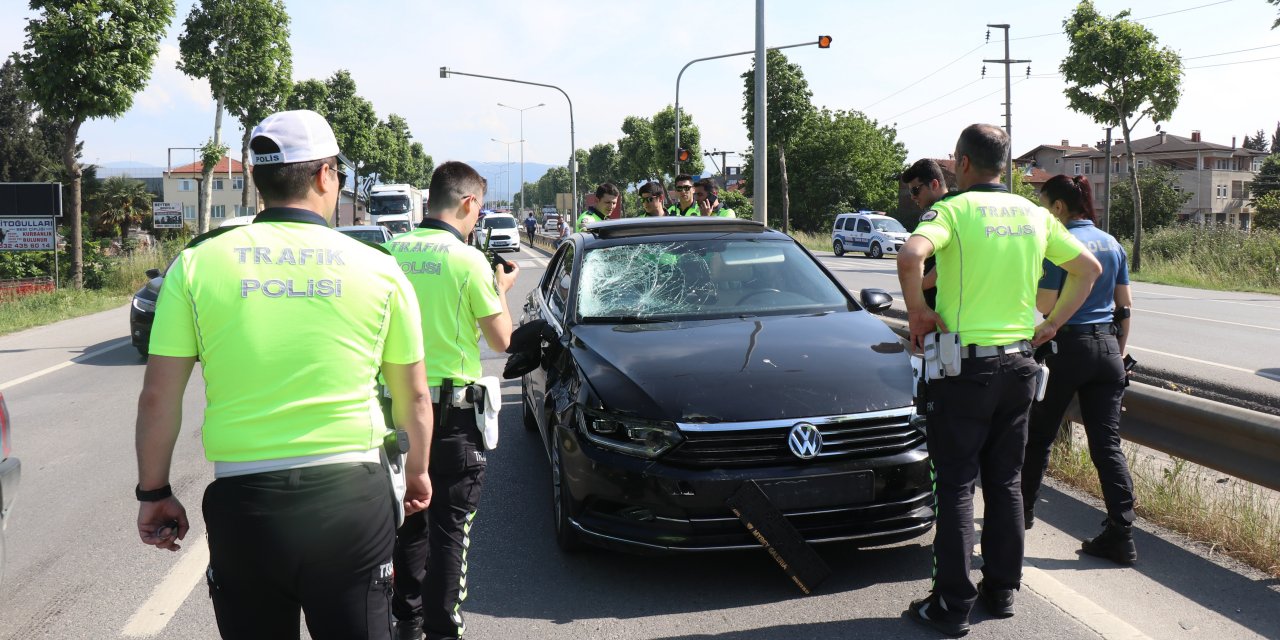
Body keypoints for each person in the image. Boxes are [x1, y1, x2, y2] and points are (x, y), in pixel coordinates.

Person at [135, 109, 433, 640]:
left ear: (256, 178)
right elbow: (413, 395)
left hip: (247, 506)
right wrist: (416, 476)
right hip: (351, 500)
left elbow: (159, 396)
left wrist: (153, 491)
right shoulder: (379, 268)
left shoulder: (198, 265)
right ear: (325, 176)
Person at [896, 123, 1101, 637]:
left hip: (965, 369)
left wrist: (918, 312)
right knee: (1006, 482)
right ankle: (1002, 590)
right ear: (1005, 166)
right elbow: (1089, 268)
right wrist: (1050, 325)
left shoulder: (951, 211)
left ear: (961, 164)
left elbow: (910, 255)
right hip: (1019, 367)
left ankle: (950, 604)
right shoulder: (1034, 215)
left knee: (958, 484)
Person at [384, 161, 520, 640]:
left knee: (407, 524)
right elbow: (502, 340)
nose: (478, 219)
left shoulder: (386, 254)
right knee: (450, 530)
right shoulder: (468, 262)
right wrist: (501, 291)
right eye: (479, 209)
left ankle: (408, 622)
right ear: (467, 203)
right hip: (454, 418)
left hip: (394, 415)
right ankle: (444, 631)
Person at [1021, 174, 1138, 564]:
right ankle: (1121, 533)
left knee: (1038, 435)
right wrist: (1118, 356)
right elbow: (1124, 308)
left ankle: (1019, 516)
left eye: (1042, 203)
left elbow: (1046, 305)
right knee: (1107, 445)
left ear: (1057, 208)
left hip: (1065, 347)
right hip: (1107, 349)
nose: (1039, 210)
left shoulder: (1061, 245)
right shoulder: (1112, 243)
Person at [901, 158, 951, 309]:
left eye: (915, 190)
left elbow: (910, 255)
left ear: (934, 184)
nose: (912, 196)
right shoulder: (958, 209)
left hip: (938, 307)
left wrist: (918, 287)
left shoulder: (941, 213)